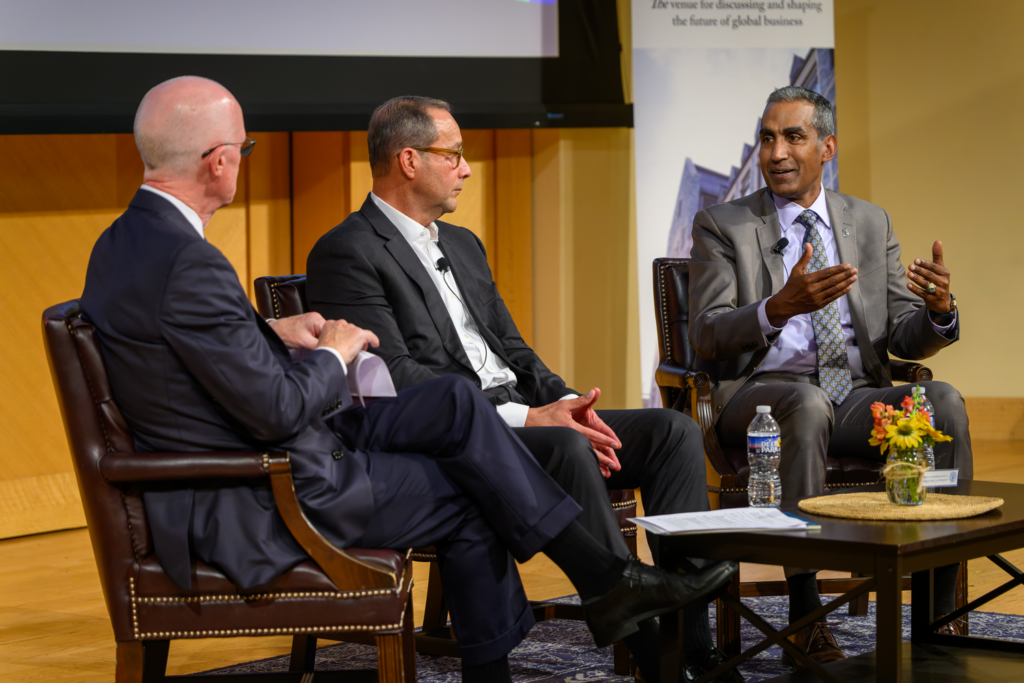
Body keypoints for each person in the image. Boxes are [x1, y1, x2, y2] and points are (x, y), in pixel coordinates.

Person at [79, 76, 737, 683]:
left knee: (458, 407)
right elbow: (279, 409)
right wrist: (332, 351)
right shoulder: (197, 261)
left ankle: (616, 587)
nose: (245, 159)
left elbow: (183, 350)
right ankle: (595, 590)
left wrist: (269, 332)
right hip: (265, 490)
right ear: (217, 161)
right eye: (245, 147)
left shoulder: (122, 244)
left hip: (271, 453)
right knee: (472, 482)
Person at [306, 96, 737, 682]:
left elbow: (512, 349)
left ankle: (694, 640)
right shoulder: (346, 251)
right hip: (452, 441)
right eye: (453, 154)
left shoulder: (462, 245)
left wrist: (565, 403)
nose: (466, 167)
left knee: (671, 431)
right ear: (409, 160)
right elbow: (400, 381)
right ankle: (649, 652)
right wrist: (529, 421)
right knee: (563, 447)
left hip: (525, 414)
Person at [688, 86, 973, 669]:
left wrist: (939, 312)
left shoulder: (868, 222)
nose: (776, 152)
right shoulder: (723, 225)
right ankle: (805, 610)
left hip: (856, 396)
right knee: (806, 402)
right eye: (768, 137)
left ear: (827, 146)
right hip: (761, 398)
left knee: (940, 400)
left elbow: (900, 335)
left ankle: (942, 611)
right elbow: (707, 335)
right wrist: (778, 306)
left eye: (793, 136)